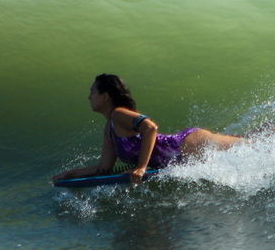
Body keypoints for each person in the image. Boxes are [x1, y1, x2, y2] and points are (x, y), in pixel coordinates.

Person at [52, 74, 244, 184]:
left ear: (105, 96)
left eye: (92, 92)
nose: (89, 97)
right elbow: (104, 169)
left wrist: (141, 167)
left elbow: (150, 127)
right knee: (247, 148)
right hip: (183, 156)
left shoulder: (118, 114)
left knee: (252, 146)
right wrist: (69, 175)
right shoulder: (110, 128)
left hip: (187, 145)